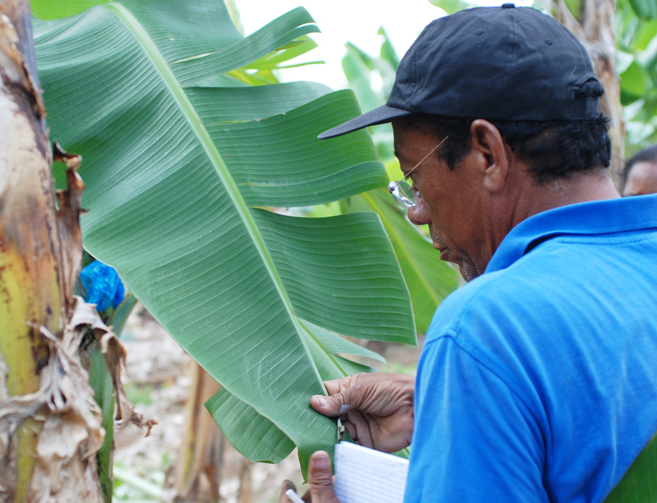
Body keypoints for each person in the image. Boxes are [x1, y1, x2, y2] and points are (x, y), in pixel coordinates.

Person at [281, 5, 657, 503]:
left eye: (415, 178)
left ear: (487, 154)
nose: (416, 212)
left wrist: (480, 370)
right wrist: (457, 399)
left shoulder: (489, 327)